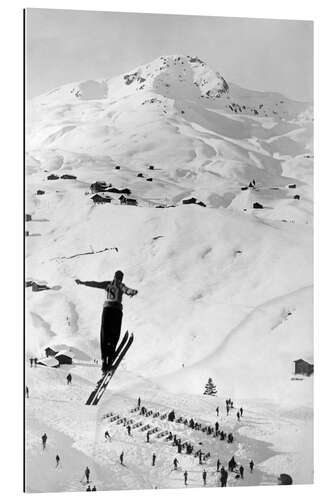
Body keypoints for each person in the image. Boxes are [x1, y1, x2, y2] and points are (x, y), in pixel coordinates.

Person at [75, 271, 138, 373]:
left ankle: (105, 361)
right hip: (116, 311)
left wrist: (83, 283)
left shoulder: (108, 284)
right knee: (114, 334)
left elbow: (95, 284)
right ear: (121, 278)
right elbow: (126, 290)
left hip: (107, 310)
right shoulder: (121, 285)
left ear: (114, 276)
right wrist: (132, 292)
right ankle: (110, 356)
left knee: (105, 335)